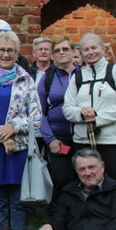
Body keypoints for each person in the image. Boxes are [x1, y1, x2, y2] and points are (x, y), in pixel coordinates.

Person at [0, 30, 42, 230]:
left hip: (20, 150)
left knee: (19, 203)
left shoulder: (26, 79)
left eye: (10, 50)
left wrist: (13, 128)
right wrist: (2, 136)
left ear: (17, 53)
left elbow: (36, 117)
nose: (5, 54)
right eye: (1, 50)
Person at [63, 33, 116, 181]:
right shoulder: (78, 76)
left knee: (113, 183)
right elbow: (67, 108)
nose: (90, 52)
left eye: (94, 48)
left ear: (103, 49)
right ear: (81, 53)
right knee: (85, 184)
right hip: (83, 140)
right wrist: (81, 113)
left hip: (112, 140)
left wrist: (97, 118)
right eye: (86, 49)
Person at [37, 35, 78, 205]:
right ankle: (59, 214)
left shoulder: (83, 75)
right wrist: (51, 139)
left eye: (65, 49)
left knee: (82, 176)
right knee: (61, 179)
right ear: (52, 55)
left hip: (81, 137)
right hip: (57, 138)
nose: (61, 53)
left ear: (73, 52)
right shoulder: (47, 79)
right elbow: (39, 112)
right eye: (57, 50)